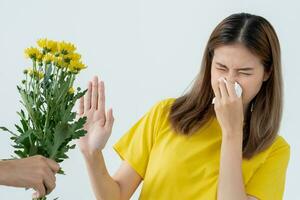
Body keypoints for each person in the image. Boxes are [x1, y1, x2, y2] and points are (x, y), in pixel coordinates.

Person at [78, 13, 290, 200]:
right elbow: (116, 196)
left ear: (267, 73)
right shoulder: (166, 114)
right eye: (221, 68)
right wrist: (91, 153)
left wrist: (232, 132)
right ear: (209, 64)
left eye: (244, 72)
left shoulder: (274, 150)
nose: (230, 81)